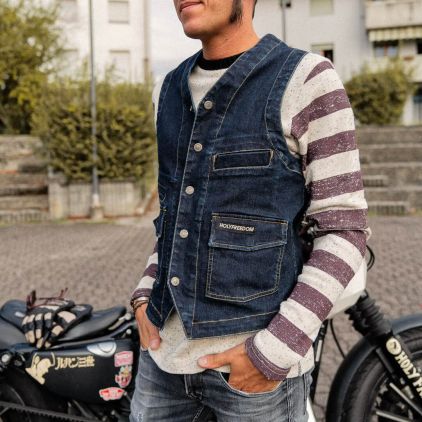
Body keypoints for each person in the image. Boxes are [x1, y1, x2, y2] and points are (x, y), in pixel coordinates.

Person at [129, 1, 370, 421]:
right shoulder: (167, 90)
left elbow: (344, 230)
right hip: (162, 364)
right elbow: (175, 218)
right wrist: (144, 296)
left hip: (256, 379)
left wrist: (273, 352)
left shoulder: (307, 79)